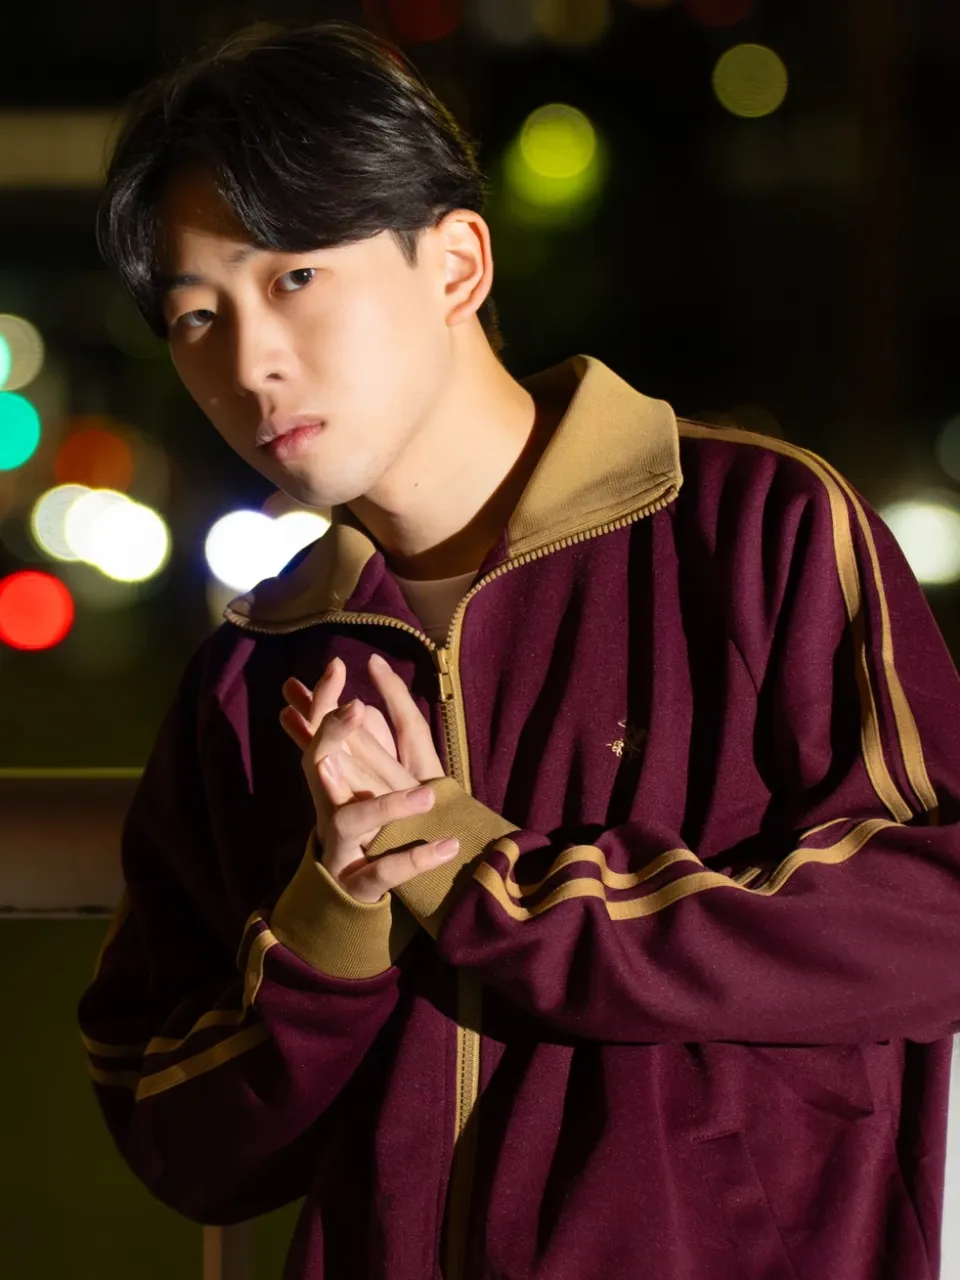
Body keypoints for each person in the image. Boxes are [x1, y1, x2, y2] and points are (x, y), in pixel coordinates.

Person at [78, 20, 960, 1280]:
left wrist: (486, 878)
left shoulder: (753, 528)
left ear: (456, 263)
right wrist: (338, 913)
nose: (249, 361)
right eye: (194, 316)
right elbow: (176, 1128)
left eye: (294, 277)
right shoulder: (257, 670)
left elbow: (933, 910)